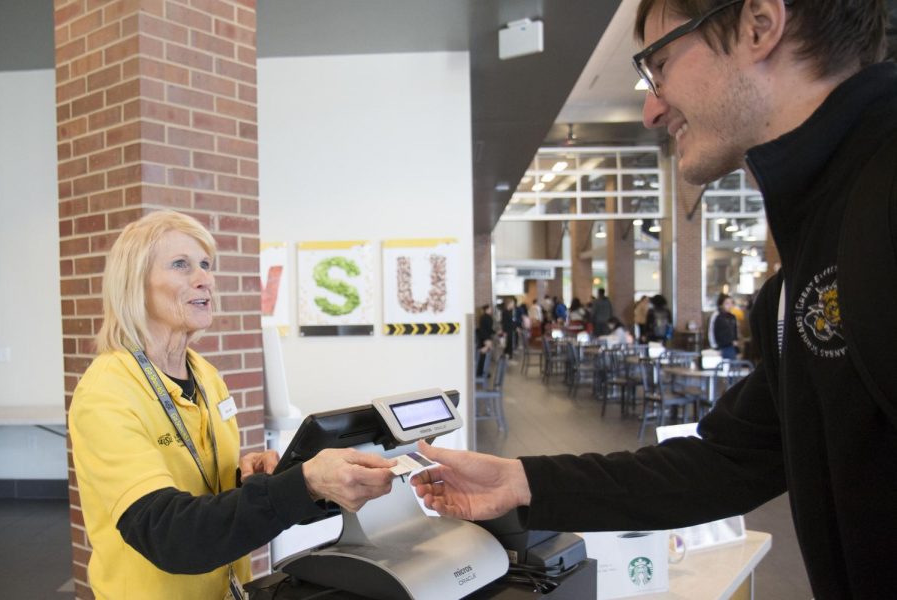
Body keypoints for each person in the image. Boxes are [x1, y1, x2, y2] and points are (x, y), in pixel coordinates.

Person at [413, 2, 897, 597]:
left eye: (659, 65)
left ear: (759, 24)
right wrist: (521, 481)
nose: (651, 108)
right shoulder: (802, 263)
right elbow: (724, 462)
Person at [69, 211, 396, 599]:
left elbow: (202, 490)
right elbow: (169, 534)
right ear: (134, 284)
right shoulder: (108, 391)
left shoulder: (206, 376)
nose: (204, 278)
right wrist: (303, 482)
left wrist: (249, 481)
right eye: (181, 264)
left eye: (206, 265)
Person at [707, 293, 739, 359]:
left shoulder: (732, 317)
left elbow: (735, 332)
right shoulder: (716, 315)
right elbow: (711, 331)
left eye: (731, 303)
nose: (730, 305)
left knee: (733, 366)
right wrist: (715, 347)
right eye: (727, 303)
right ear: (721, 305)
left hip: (731, 347)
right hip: (720, 347)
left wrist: (736, 347)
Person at [475, 303, 496, 376]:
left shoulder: (482, 317)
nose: (491, 310)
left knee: (483, 357)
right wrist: (488, 340)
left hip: (483, 338)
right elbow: (488, 329)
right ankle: (481, 372)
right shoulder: (486, 317)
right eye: (490, 309)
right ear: (486, 310)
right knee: (484, 357)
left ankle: (482, 371)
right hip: (485, 339)